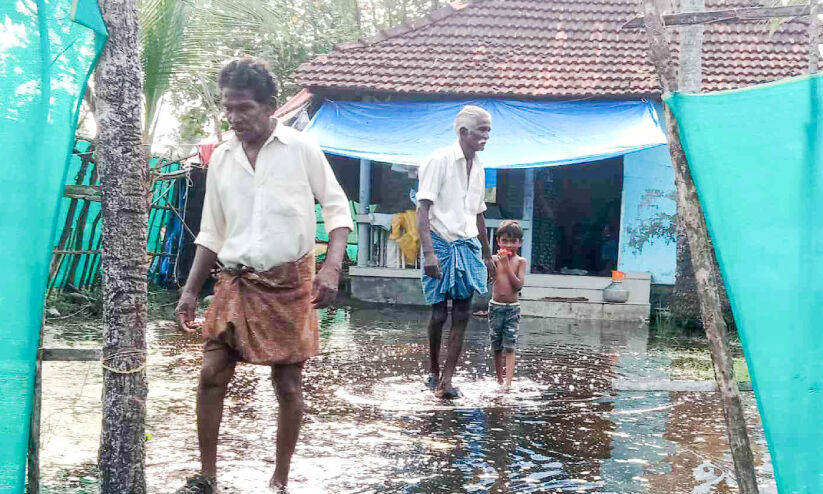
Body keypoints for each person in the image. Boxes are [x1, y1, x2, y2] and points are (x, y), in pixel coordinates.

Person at [174, 57, 353, 493]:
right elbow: (212, 230)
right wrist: (190, 290)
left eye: (245, 108)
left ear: (270, 106)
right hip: (234, 280)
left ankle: (279, 479)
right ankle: (208, 476)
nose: (235, 118)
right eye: (228, 108)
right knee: (212, 373)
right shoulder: (222, 159)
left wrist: (331, 266)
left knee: (287, 383)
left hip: (290, 283)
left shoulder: (301, 149)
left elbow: (336, 208)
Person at [416, 105, 495, 399]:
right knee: (438, 313)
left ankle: (447, 380)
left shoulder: (481, 167)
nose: (486, 136)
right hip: (439, 243)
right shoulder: (439, 160)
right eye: (482, 130)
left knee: (463, 312)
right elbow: (422, 209)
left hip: (468, 244)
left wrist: (487, 255)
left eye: (488, 130)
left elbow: (478, 214)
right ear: (464, 132)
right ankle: (434, 371)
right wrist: (428, 254)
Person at [488, 220, 527, 391]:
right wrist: (495, 263)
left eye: (513, 241)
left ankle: (509, 383)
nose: (509, 245)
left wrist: (505, 264)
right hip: (495, 307)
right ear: (498, 241)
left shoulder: (520, 261)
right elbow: (488, 278)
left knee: (510, 346)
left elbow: (518, 286)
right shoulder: (493, 260)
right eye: (504, 241)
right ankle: (499, 380)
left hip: (512, 308)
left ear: (520, 242)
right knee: (496, 345)